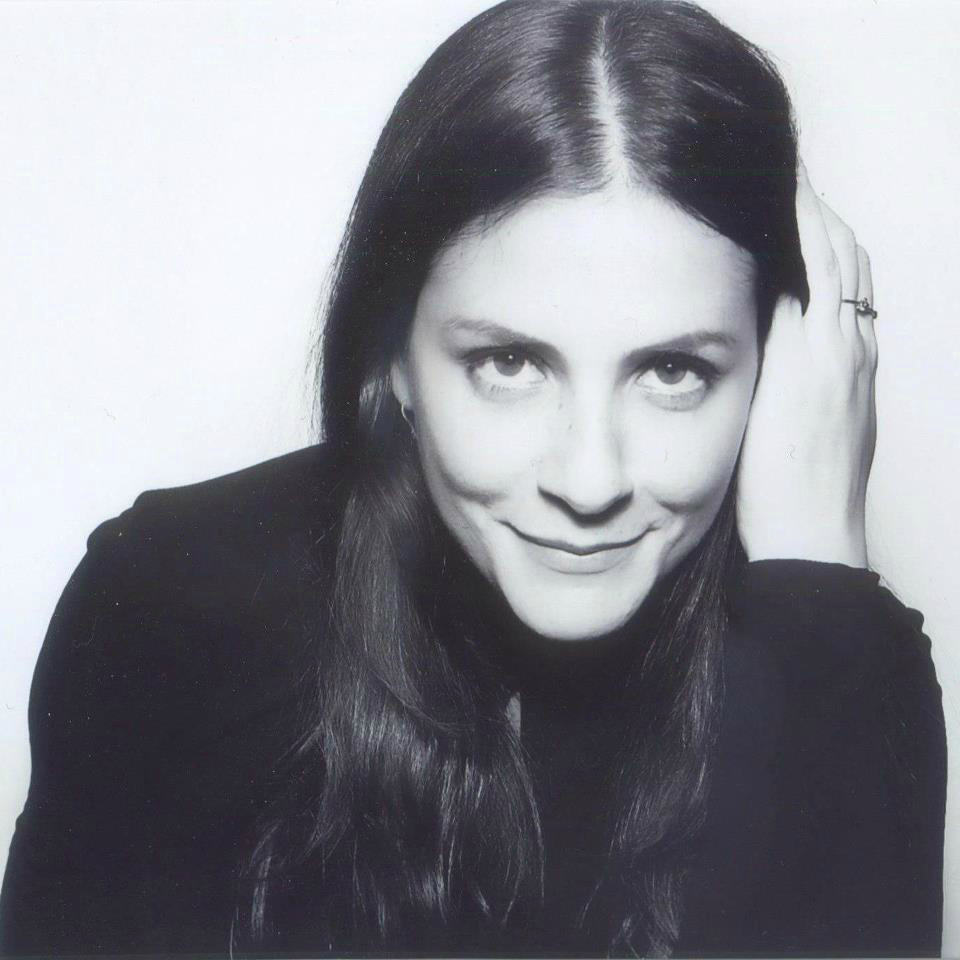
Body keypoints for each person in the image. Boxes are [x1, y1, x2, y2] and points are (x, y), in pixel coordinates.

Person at [0, 0, 946, 957]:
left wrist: (818, 583)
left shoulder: (844, 665)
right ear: (392, 358)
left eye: (673, 371)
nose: (590, 480)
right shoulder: (170, 612)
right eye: (509, 363)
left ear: (778, 377)